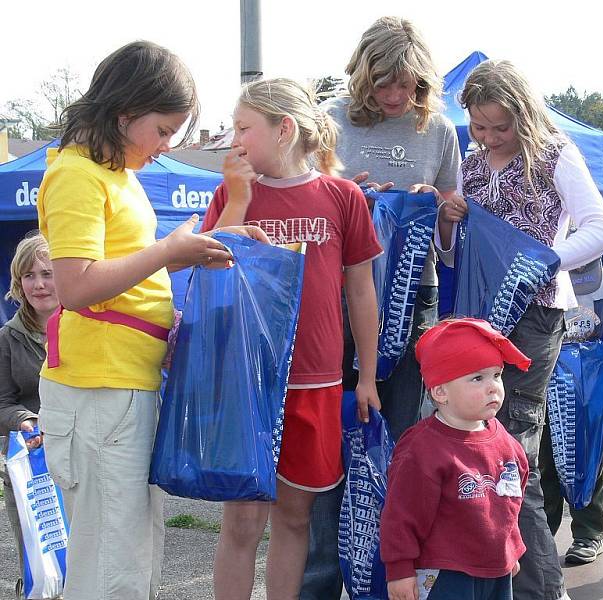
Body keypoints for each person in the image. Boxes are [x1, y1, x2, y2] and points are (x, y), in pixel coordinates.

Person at [35, 41, 267, 600]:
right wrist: (170, 251)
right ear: (124, 113)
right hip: (100, 390)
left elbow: (124, 279)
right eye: (162, 130)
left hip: (120, 387)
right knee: (113, 570)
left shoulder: (111, 176)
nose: (165, 148)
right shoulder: (78, 176)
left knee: (129, 559)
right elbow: (75, 286)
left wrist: (213, 244)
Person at [432, 59, 603, 600]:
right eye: (479, 126)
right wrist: (448, 219)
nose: (488, 138)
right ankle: (493, 577)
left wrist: (549, 259)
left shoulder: (555, 154)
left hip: (535, 315)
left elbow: (601, 227)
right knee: (477, 448)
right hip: (479, 316)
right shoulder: (471, 162)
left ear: (524, 116)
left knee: (514, 452)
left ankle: (542, 588)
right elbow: (449, 253)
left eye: (500, 126)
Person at [202, 77, 382, 600]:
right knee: (240, 522)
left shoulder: (342, 196)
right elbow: (212, 271)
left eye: (243, 128)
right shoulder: (231, 192)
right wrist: (237, 199)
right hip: (248, 382)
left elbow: (362, 293)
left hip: (317, 379)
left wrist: (366, 376)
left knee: (295, 518)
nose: (235, 141)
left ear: (284, 130)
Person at [305, 16, 461, 598]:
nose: (393, 96)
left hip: (407, 299)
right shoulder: (331, 119)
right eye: (381, 84)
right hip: (333, 298)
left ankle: (382, 578)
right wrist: (348, 197)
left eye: (406, 85)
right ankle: (319, 578)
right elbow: (301, 201)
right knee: (323, 440)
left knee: (393, 444)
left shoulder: (440, 131)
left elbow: (450, 236)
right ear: (361, 75)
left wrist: (441, 213)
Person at [380, 318, 530, 600]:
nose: (493, 387)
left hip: (496, 570)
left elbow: (511, 501)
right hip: (445, 574)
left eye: (497, 375)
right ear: (440, 391)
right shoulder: (422, 448)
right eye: (477, 378)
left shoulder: (507, 444)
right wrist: (399, 570)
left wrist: (512, 547)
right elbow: (400, 514)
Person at [538, 256, 603, 564]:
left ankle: (588, 534)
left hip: (587, 382)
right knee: (544, 460)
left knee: (589, 457)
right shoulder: (540, 273)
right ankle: (541, 534)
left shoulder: (602, 279)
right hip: (547, 377)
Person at [0, 233, 59, 599]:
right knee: (38, 571)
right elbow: (2, 401)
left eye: (47, 273)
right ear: (18, 282)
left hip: (77, 463)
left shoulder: (88, 326)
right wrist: (25, 419)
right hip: (28, 470)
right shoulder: (7, 337)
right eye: (29, 275)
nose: (38, 284)